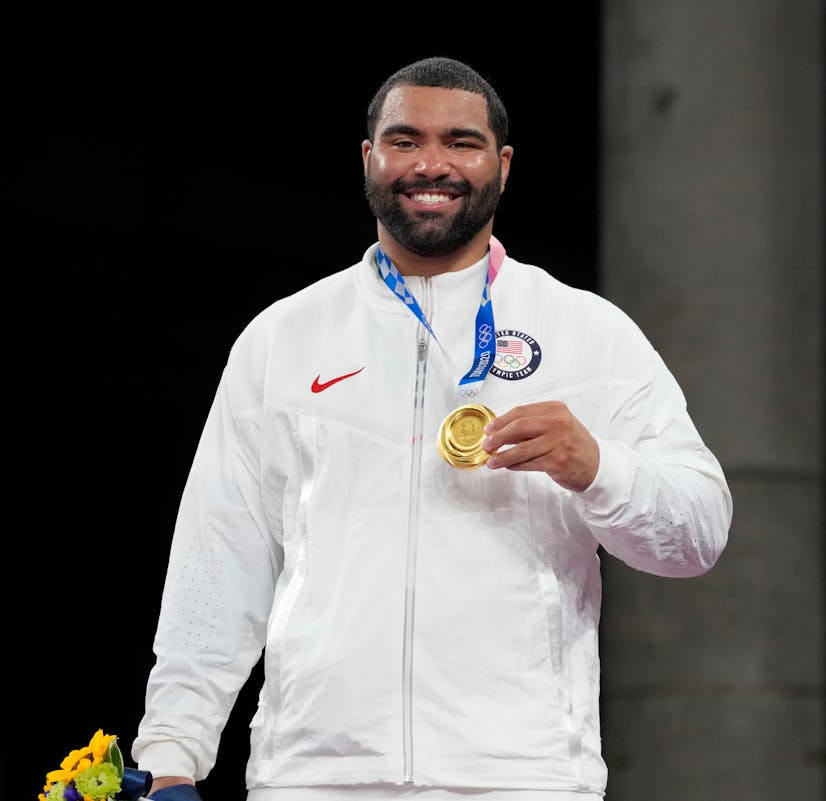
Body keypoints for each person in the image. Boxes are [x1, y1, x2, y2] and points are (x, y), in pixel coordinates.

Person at [130, 55, 732, 801]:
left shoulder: (587, 334)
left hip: (522, 776)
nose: (433, 164)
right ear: (369, 158)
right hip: (316, 776)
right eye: (406, 140)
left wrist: (598, 466)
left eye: (462, 143)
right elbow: (219, 558)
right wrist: (171, 749)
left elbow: (700, 530)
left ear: (502, 165)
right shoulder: (283, 338)